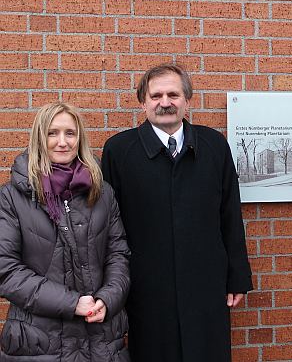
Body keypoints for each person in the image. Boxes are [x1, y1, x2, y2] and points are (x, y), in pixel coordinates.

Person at [101, 63, 253, 362]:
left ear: (187, 100)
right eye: (156, 95)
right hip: (146, 286)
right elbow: (108, 225)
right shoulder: (119, 151)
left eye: (173, 94)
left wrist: (237, 276)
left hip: (205, 283)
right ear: (143, 101)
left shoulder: (214, 146)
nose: (165, 102)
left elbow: (230, 215)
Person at [0, 102, 130, 361]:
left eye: (70, 133)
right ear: (40, 137)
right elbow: (6, 269)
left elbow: (118, 255)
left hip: (100, 341)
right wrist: (72, 304)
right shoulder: (13, 196)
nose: (62, 142)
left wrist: (108, 298)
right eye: (52, 133)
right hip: (39, 343)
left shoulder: (102, 193)